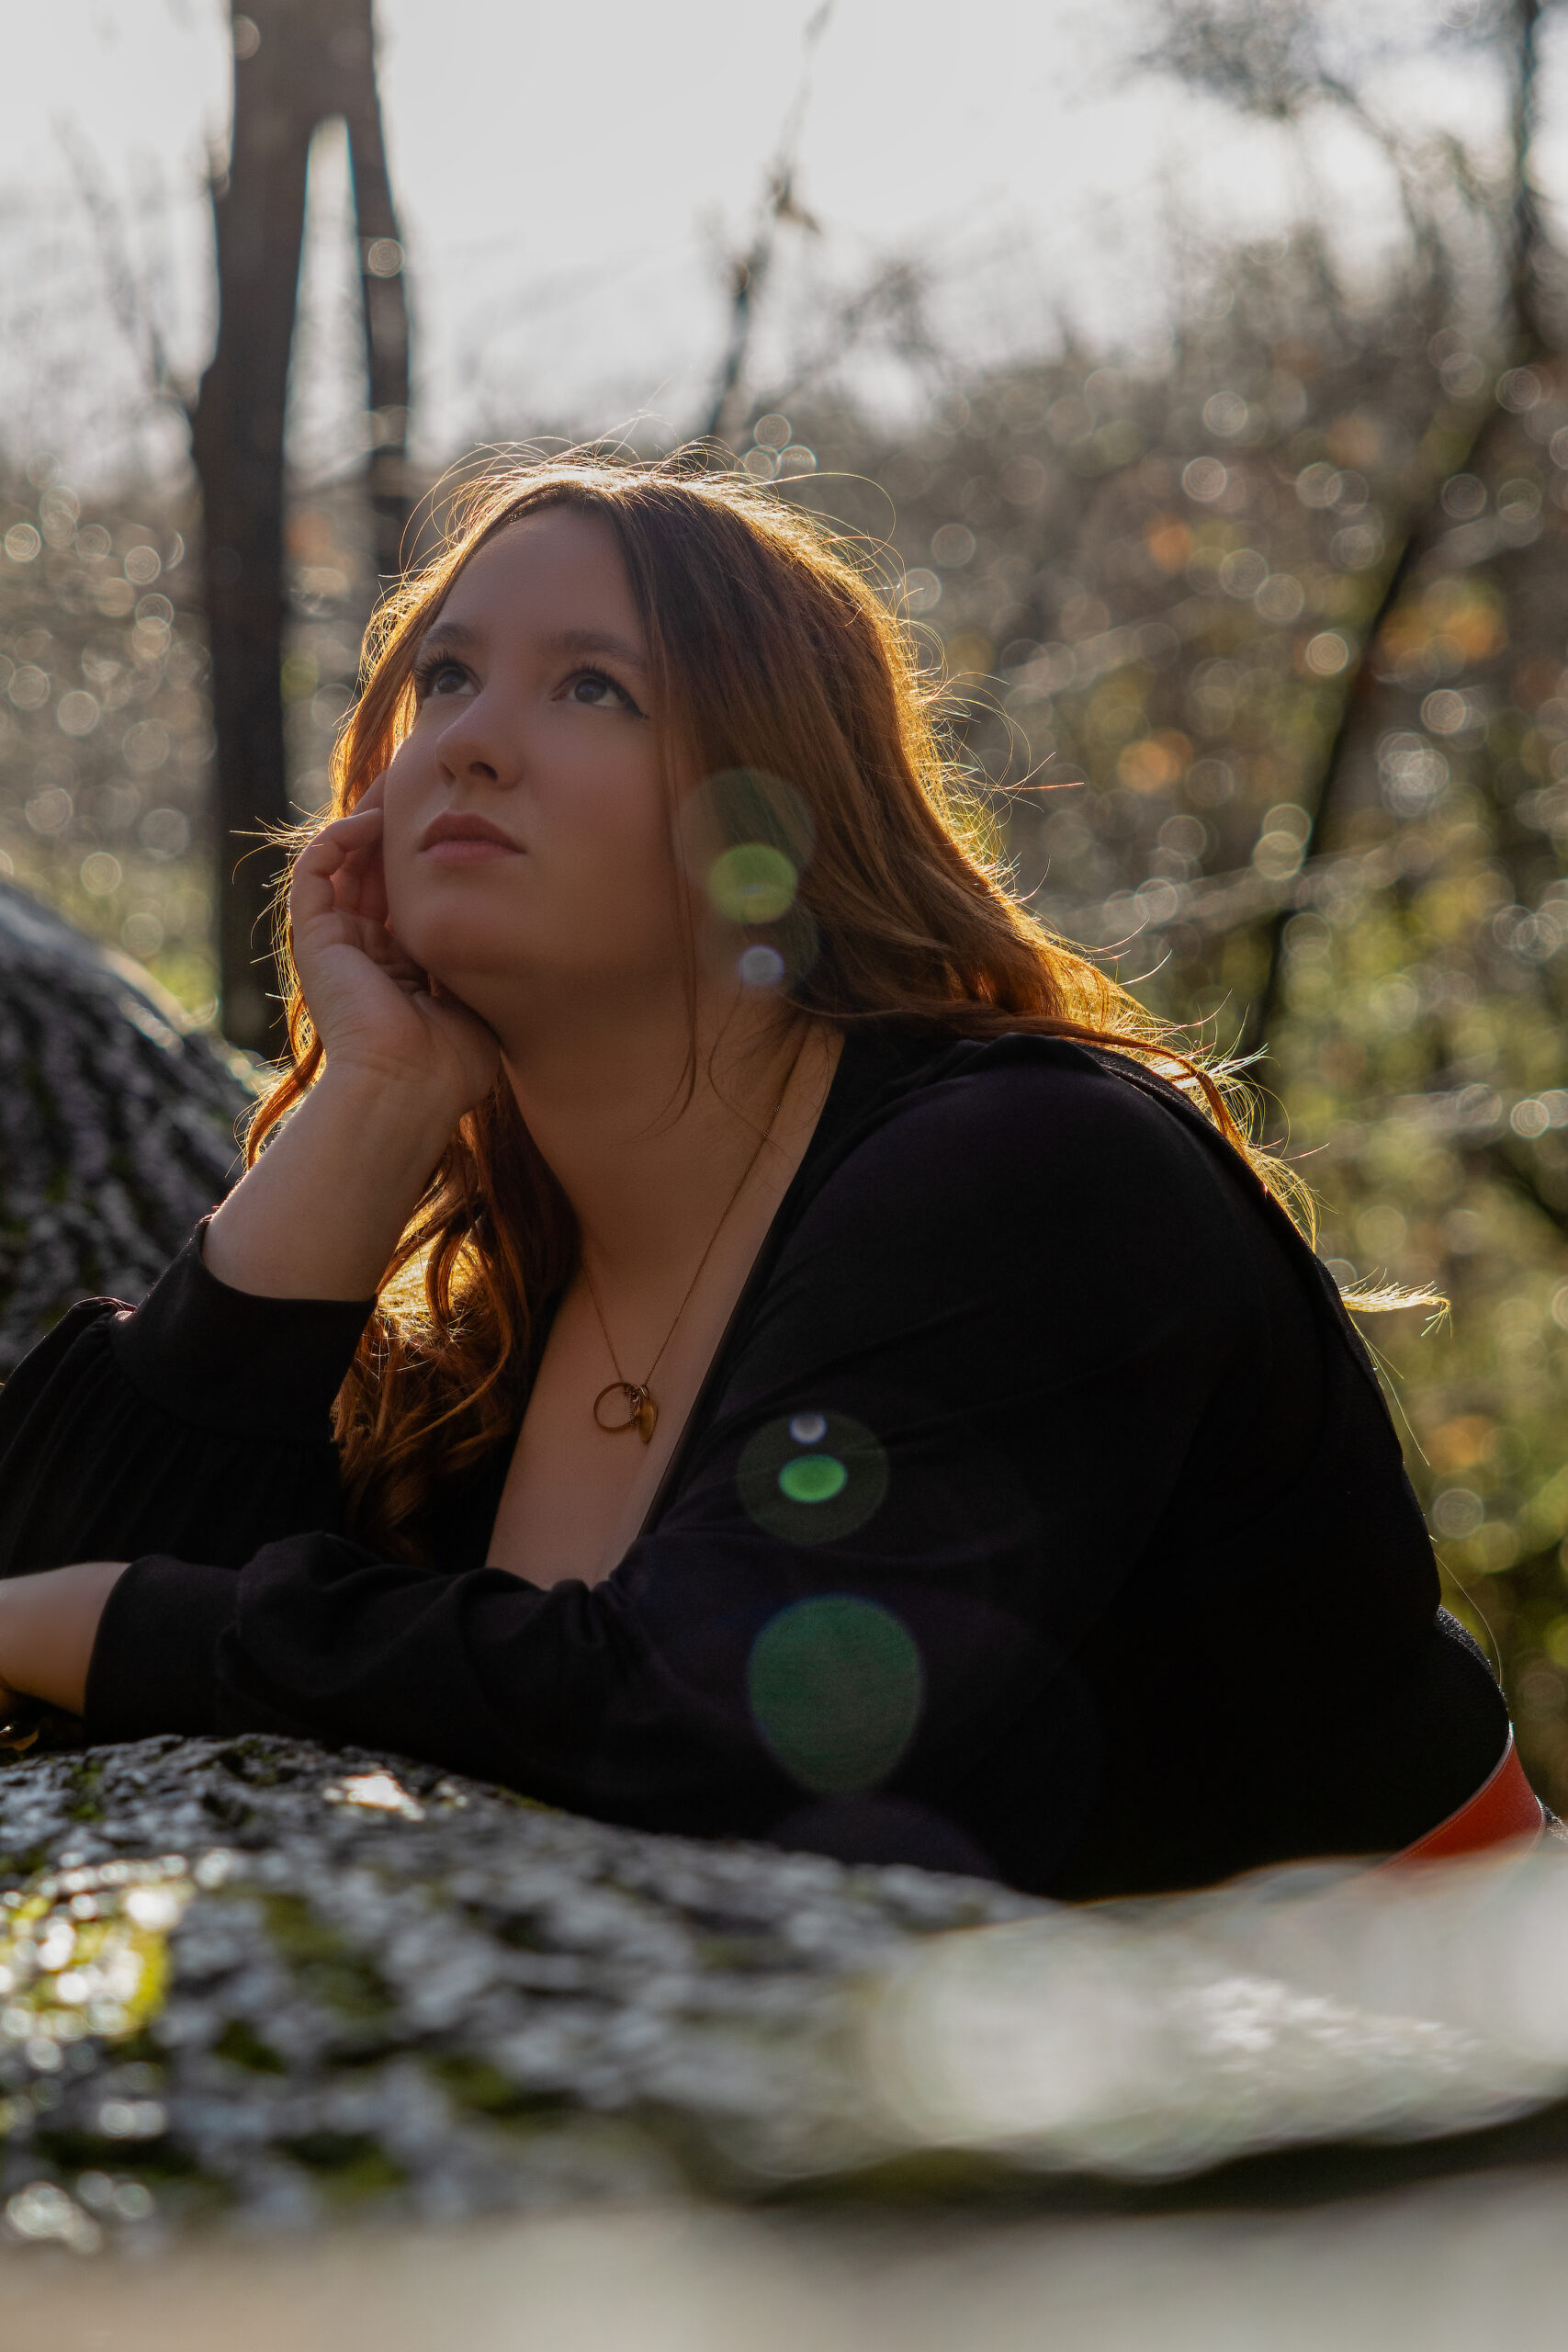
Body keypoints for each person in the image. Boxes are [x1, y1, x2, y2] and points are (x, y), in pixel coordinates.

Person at [0, 457, 1535, 1897]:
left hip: (1435, 2114)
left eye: (593, 687)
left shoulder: (1027, 1172)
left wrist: (148, 1627)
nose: (466, 737)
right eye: (446, 677)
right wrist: (377, 1104)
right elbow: (44, 1593)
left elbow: (736, 1731)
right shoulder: (498, 1311)